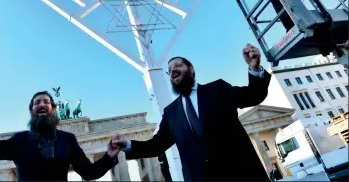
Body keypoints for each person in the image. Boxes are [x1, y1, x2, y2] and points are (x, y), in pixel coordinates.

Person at [112, 43, 272, 181]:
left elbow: (253, 96)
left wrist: (254, 67)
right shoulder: (171, 113)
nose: (173, 70)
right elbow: (156, 146)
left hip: (240, 173)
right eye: (169, 70)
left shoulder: (218, 89)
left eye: (178, 65)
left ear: (191, 69)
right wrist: (128, 145)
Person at [0, 91, 120, 181]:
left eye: (46, 102)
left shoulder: (68, 139)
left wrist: (109, 156)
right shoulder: (19, 140)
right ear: (31, 110)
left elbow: (89, 172)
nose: (42, 104)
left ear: (53, 108)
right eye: (37, 102)